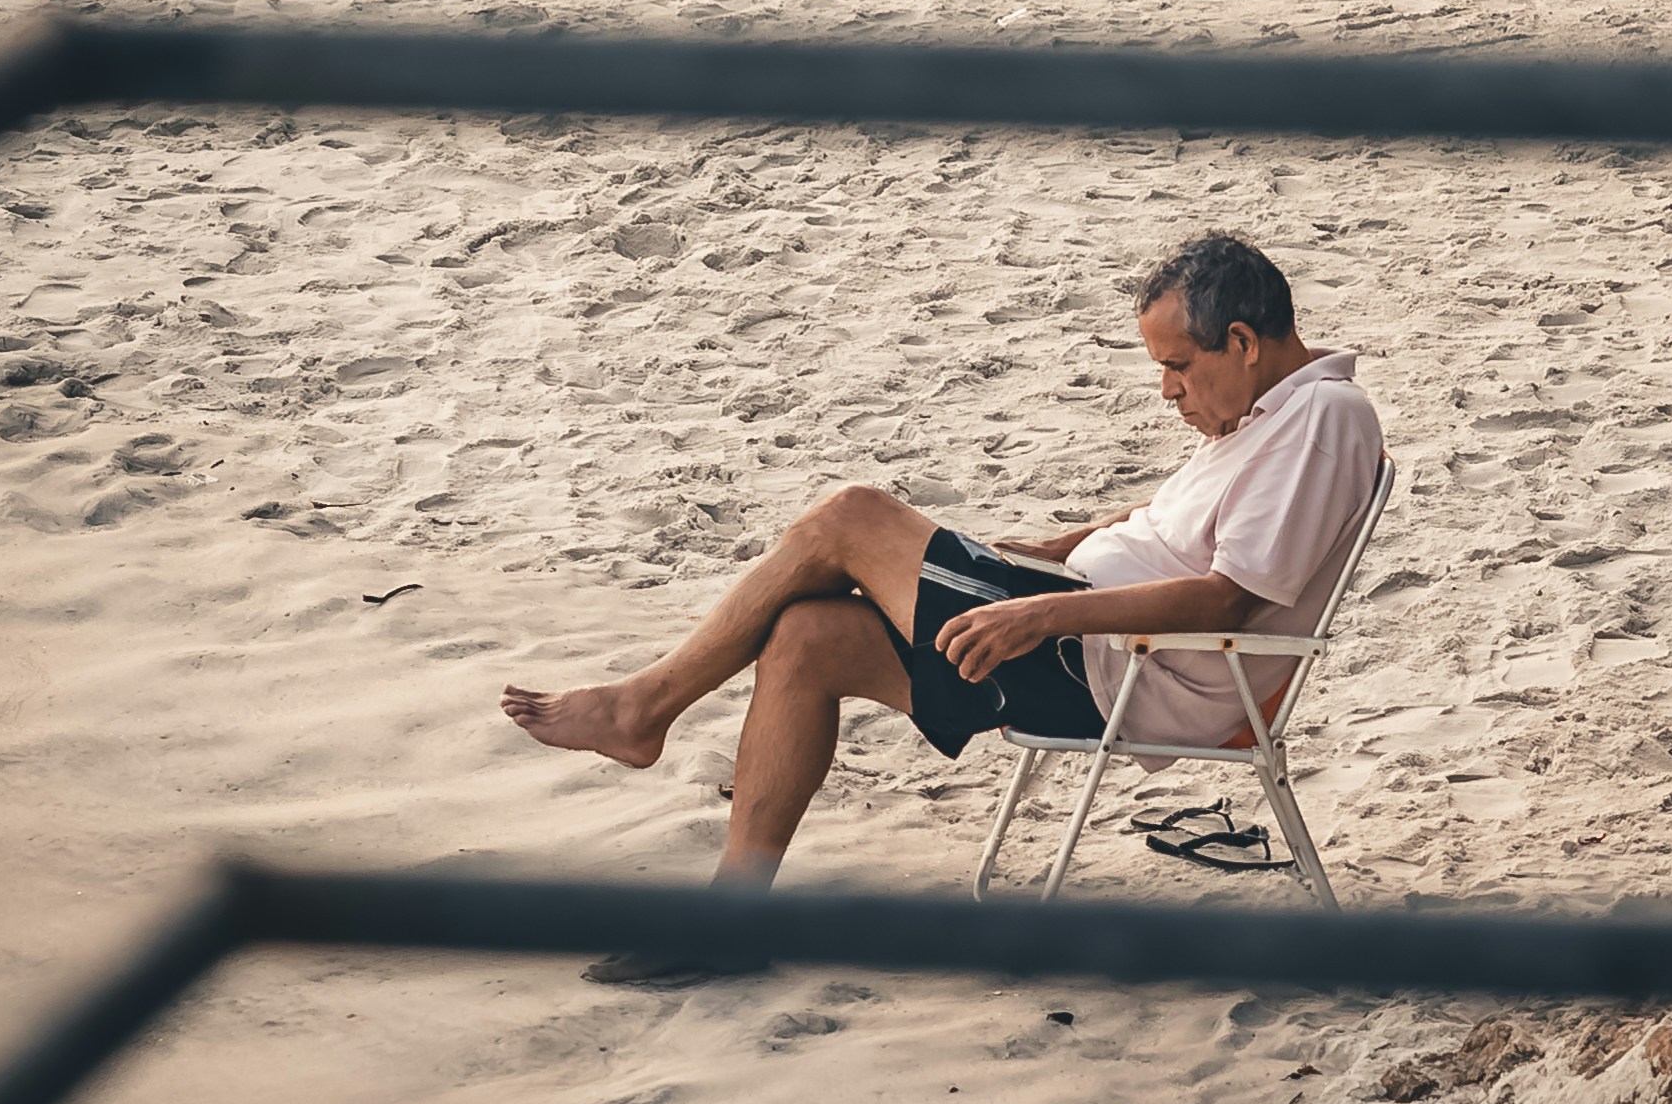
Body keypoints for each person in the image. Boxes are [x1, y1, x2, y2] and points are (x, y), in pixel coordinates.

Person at [500, 230, 1382, 904]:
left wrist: (1035, 613)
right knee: (807, 635)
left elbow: (1226, 593)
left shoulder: (1325, 417)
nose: (1168, 392)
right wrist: (1053, 549)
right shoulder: (1263, 414)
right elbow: (1168, 526)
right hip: (1090, 632)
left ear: (1243, 340)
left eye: (1178, 367)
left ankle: (638, 709)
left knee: (850, 516)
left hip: (1116, 667)